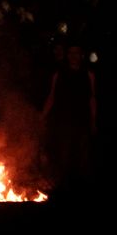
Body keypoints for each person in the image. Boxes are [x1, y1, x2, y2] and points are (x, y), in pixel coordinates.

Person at [41, 44, 97, 195]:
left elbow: (92, 98)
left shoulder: (88, 74)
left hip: (82, 122)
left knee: (83, 159)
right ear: (67, 55)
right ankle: (62, 190)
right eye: (71, 52)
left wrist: (93, 120)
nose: (73, 55)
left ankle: (83, 191)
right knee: (63, 157)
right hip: (63, 122)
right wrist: (42, 117)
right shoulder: (59, 74)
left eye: (76, 53)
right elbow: (51, 97)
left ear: (81, 55)